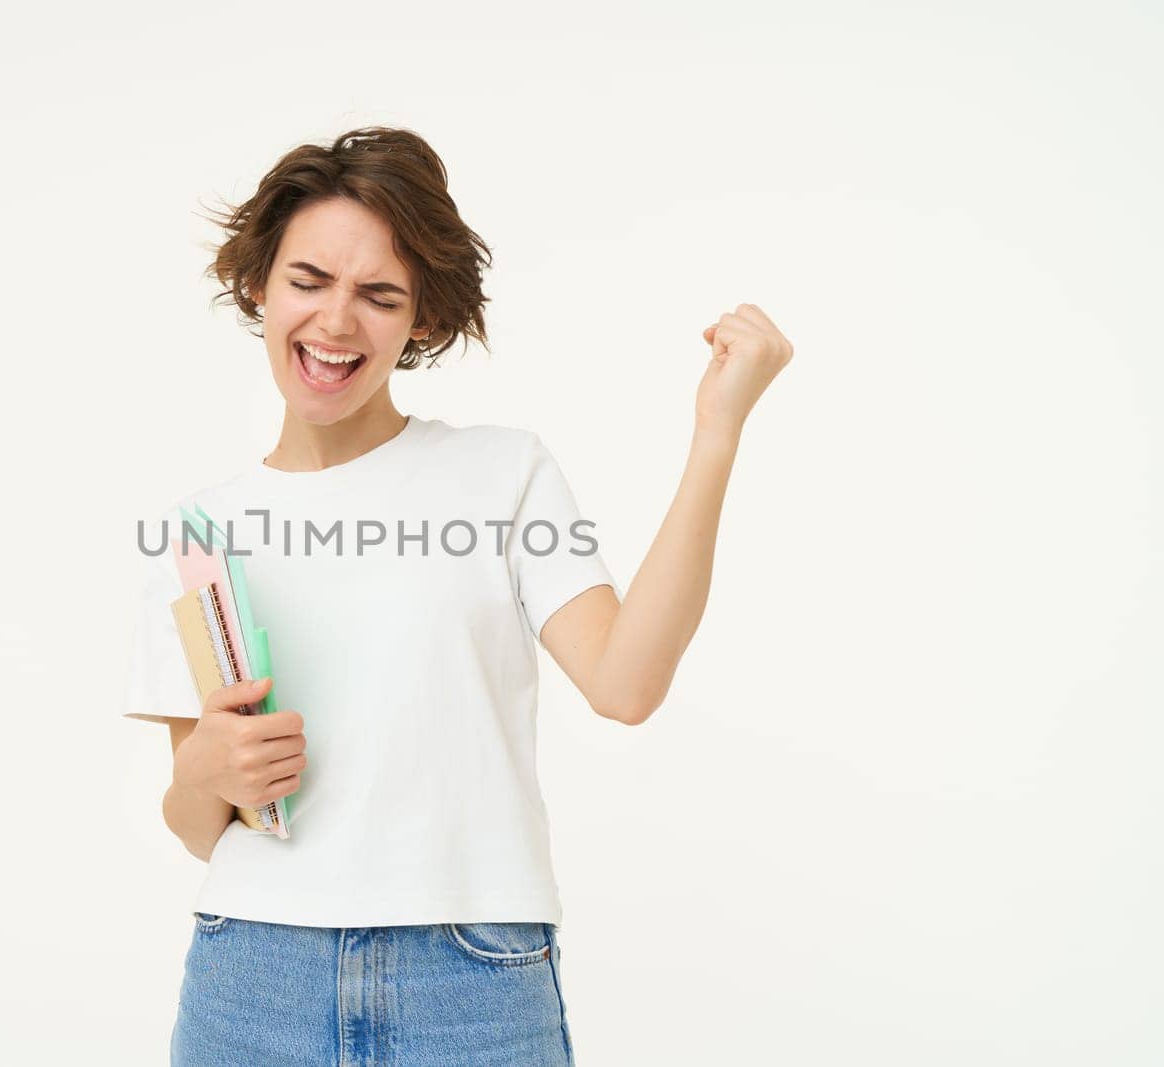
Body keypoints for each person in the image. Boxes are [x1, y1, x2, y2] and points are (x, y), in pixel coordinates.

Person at [122, 126, 794, 1066]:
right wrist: (206, 777)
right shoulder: (198, 531)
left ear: (422, 320)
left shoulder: (502, 475)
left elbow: (626, 682)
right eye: (308, 281)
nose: (335, 322)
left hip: (472, 980)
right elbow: (199, 823)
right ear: (258, 288)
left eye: (380, 295)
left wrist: (716, 433)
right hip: (253, 976)